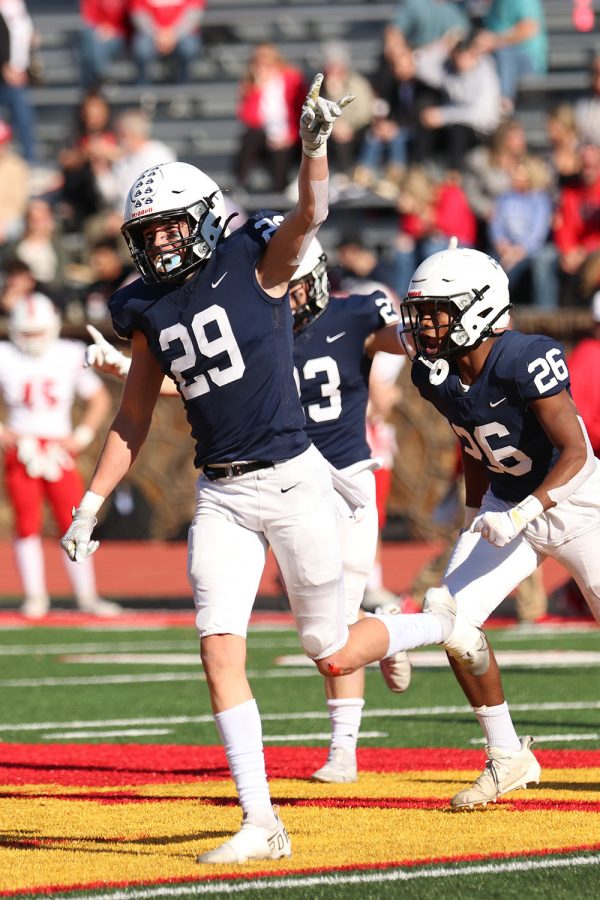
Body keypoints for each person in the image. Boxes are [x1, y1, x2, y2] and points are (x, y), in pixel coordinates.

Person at [60, 76, 488, 862]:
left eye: (167, 230)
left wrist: (315, 147)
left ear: (202, 220)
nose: (157, 245)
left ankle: (435, 624)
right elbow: (134, 413)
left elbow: (311, 214)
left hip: (296, 480)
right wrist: (90, 503)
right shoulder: (144, 308)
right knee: (218, 645)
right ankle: (261, 820)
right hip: (221, 492)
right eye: (145, 234)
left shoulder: (254, 260)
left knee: (331, 650)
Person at [86, 237, 413, 785]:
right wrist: (128, 369)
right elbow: (202, 376)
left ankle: (345, 745)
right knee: (322, 627)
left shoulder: (354, 316)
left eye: (303, 286)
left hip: (343, 479)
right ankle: (383, 636)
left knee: (337, 623)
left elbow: (408, 340)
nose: (294, 297)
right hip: (280, 480)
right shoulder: (257, 319)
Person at [399, 243, 600, 809]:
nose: (426, 325)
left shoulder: (525, 357)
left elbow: (577, 452)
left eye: (438, 311)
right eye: (423, 313)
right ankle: (508, 755)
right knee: (450, 619)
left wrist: (523, 512)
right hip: (507, 506)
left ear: (480, 309)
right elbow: (471, 442)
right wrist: (473, 514)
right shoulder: (435, 372)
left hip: (578, 504)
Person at [0, 293, 116, 618]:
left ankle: (87, 596)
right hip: (23, 450)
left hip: (58, 450)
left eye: (38, 332)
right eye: (27, 333)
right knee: (26, 523)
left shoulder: (68, 353)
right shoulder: (5, 355)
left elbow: (98, 398)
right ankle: (35, 596)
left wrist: (81, 435)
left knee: (74, 520)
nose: (33, 340)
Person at [233, 43, 306, 194]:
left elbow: (302, 111)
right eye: (257, 61)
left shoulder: (292, 78)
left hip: (291, 137)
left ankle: (279, 194)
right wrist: (258, 89)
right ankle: (240, 183)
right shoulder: (250, 85)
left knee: (280, 154)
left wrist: (289, 136)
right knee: (250, 136)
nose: (262, 65)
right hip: (265, 138)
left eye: (266, 60)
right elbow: (248, 118)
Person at [130, 0, 204, 86]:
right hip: (151, 33)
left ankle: (184, 86)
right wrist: (158, 34)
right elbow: (139, 13)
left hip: (182, 33)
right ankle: (144, 89)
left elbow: (193, 13)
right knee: (142, 48)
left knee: (189, 48)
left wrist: (173, 35)